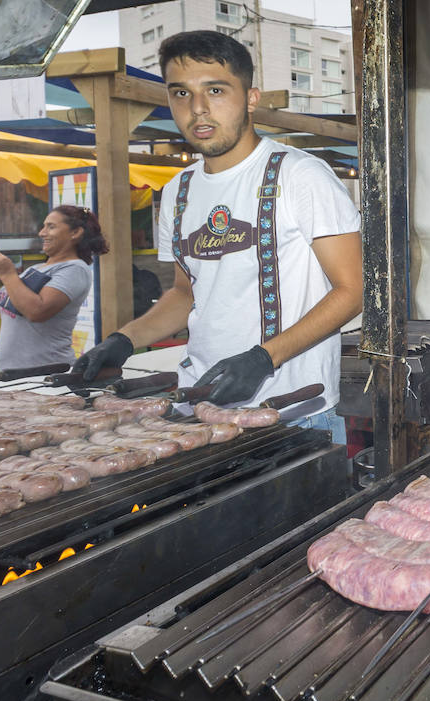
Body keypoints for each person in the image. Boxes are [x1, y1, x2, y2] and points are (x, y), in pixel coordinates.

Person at [72, 30, 362, 440]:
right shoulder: (178, 190)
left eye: (216, 90)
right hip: (199, 405)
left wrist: (265, 358)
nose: (199, 109)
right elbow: (184, 293)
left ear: (251, 97)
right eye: (181, 94)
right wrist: (124, 338)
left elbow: (352, 290)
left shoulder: (299, 175)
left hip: (290, 410)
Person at [0, 205, 107, 371]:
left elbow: (37, 312)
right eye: (44, 226)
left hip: (47, 373)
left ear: (75, 233)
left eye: (51, 227)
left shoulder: (75, 269)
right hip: (14, 373)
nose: (42, 233)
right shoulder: (35, 269)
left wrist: (8, 274)